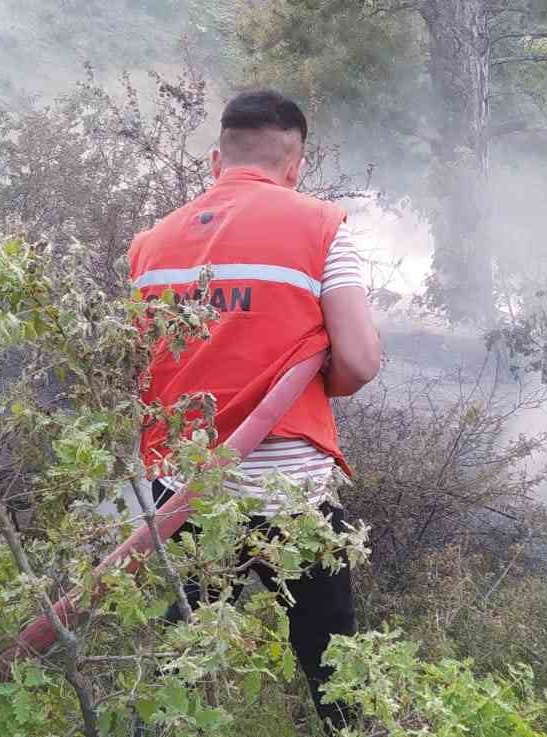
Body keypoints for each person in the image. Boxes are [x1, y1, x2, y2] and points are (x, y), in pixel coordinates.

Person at [127, 89, 382, 733]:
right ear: (295, 164)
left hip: (184, 490)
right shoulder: (322, 226)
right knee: (334, 666)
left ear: (217, 160)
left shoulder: (149, 245)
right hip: (290, 493)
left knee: (180, 663)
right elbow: (359, 361)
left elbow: (136, 368)